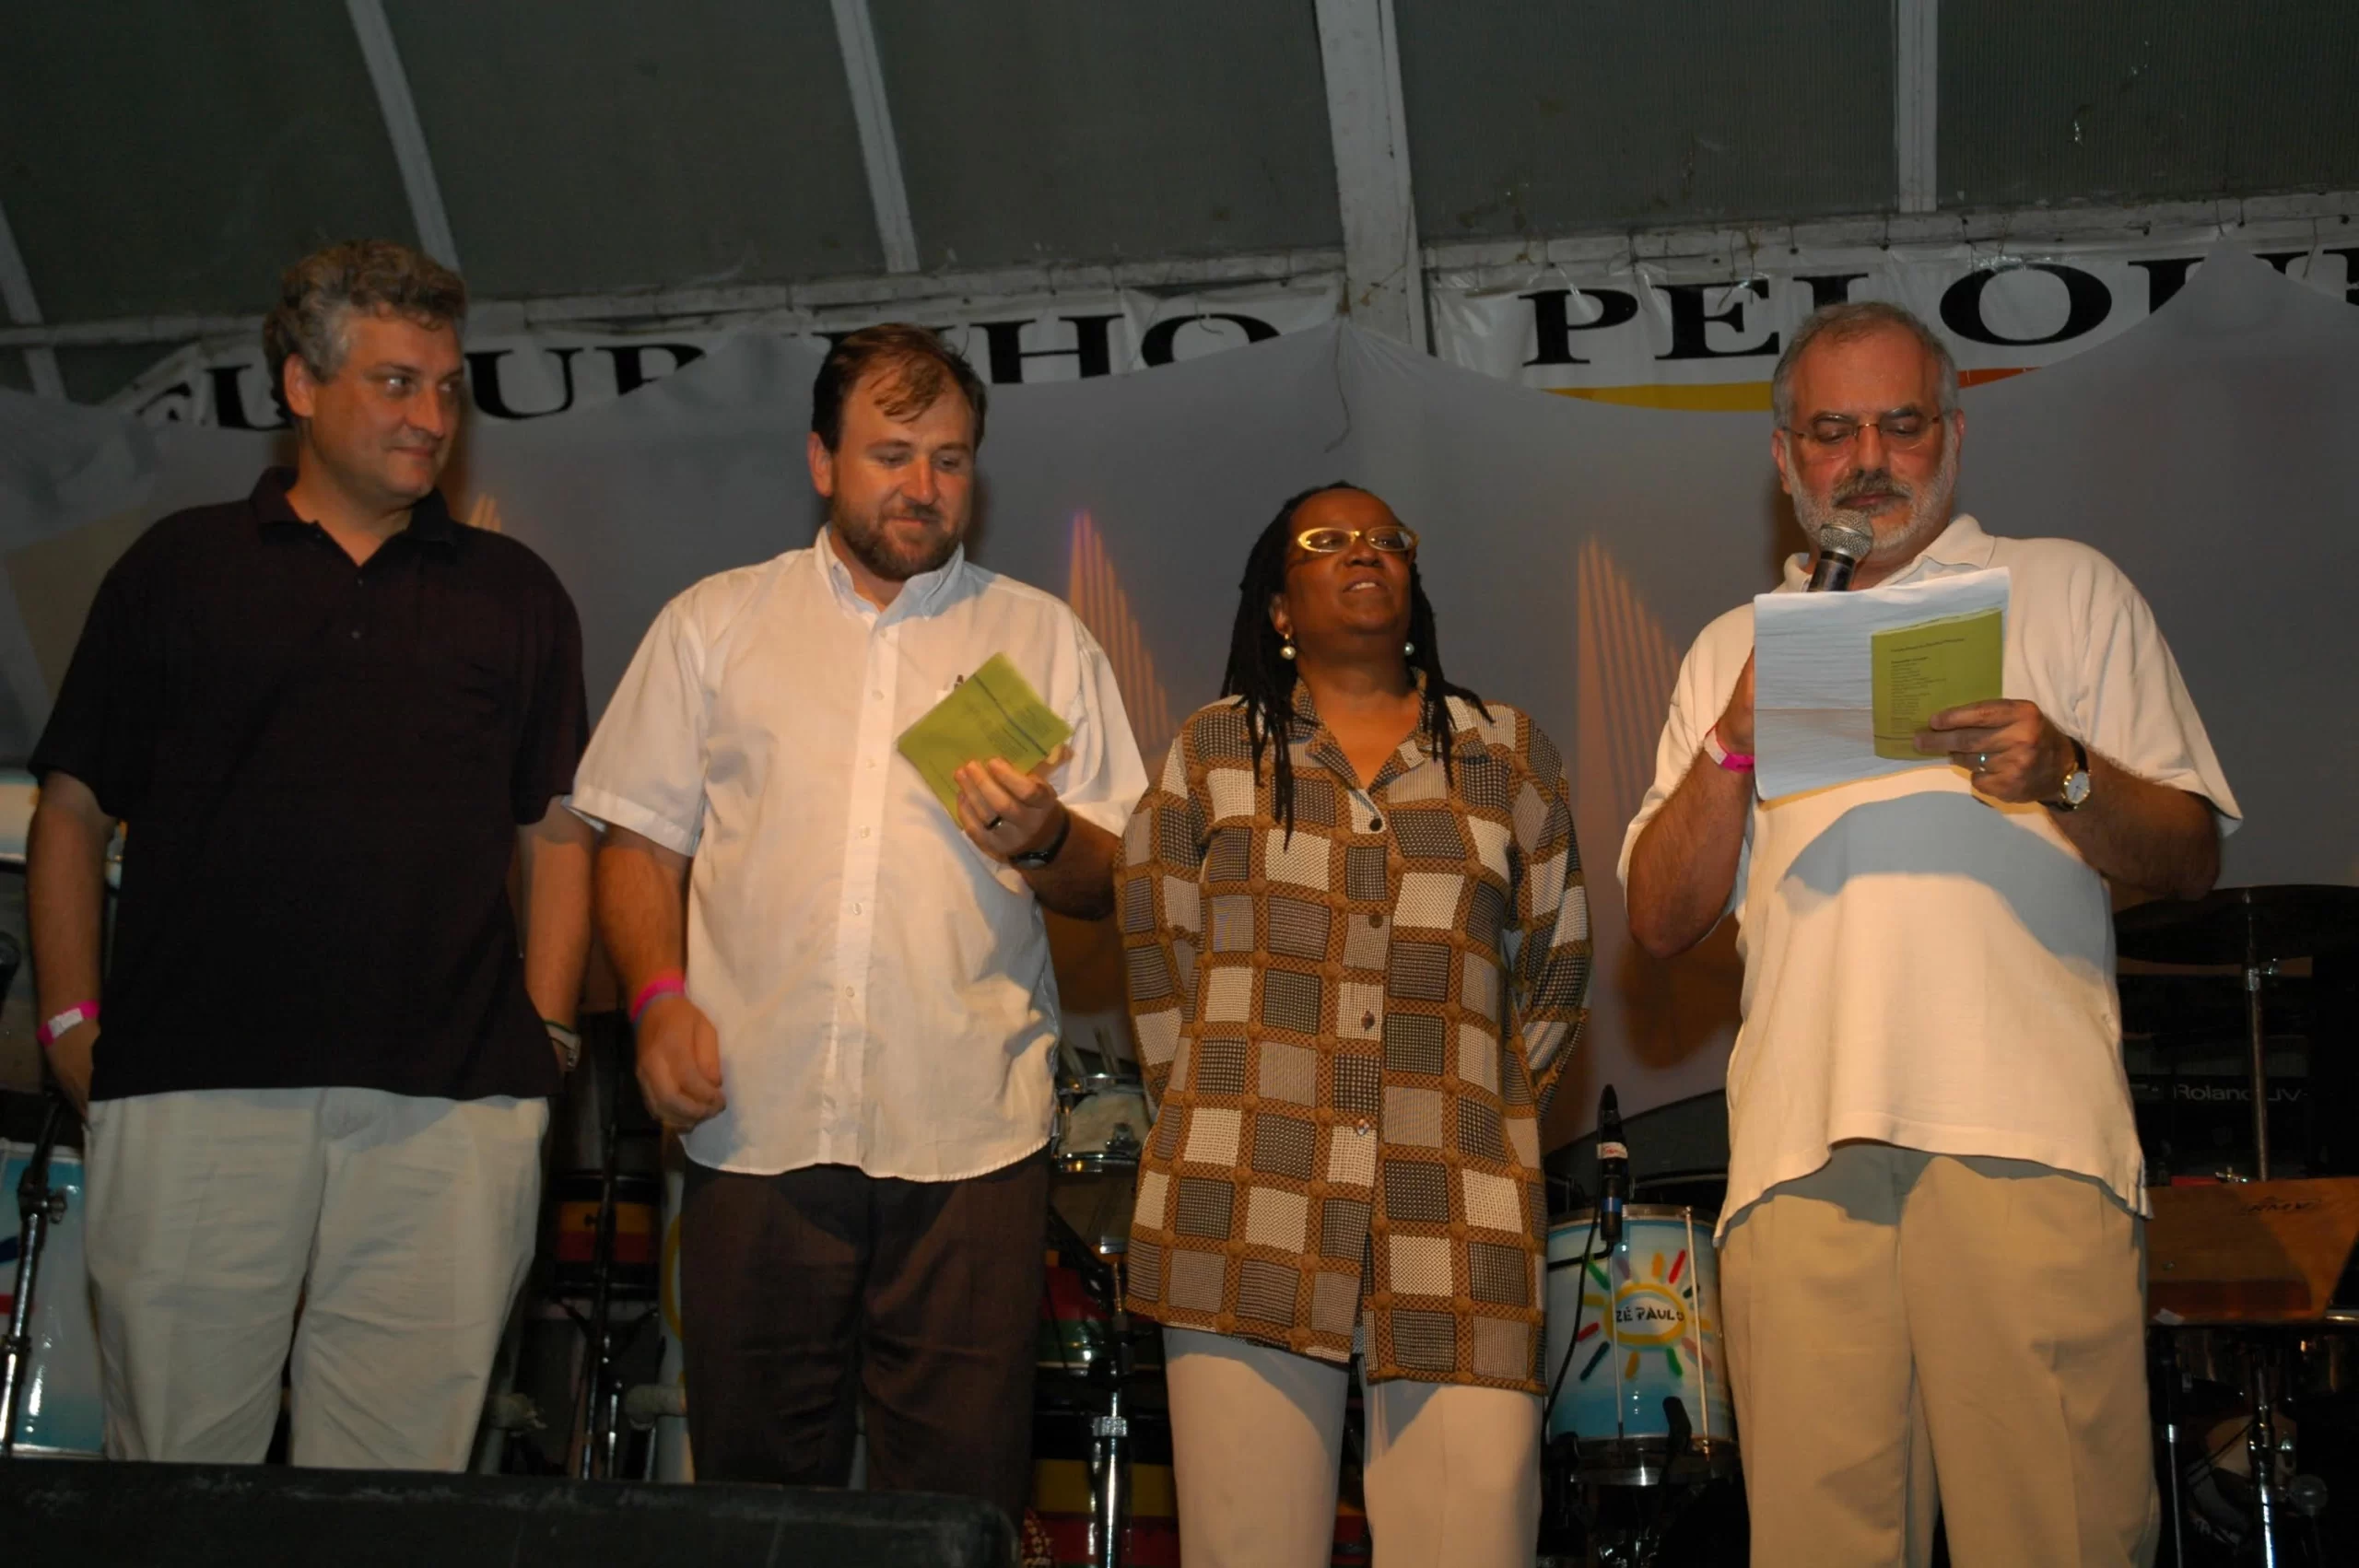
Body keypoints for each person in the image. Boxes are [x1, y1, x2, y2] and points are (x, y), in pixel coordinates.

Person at [1621, 301, 2236, 1566]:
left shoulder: (2062, 587)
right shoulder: (1730, 649)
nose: (1869, 459)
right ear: (1785, 459)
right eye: (1834, 430)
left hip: (2025, 1134)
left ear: (1952, 436)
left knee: (2056, 1535)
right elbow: (1661, 916)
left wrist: (2062, 771)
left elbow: (2187, 854)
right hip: (1798, 1160)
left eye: (1901, 423)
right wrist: (1737, 735)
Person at [26, 239, 594, 1469]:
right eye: (396, 382)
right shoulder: (177, 570)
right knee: (176, 1488)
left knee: (392, 1500)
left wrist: (546, 1034)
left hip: (451, 1109)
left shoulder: (516, 593)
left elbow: (554, 829)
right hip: (194, 1090)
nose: (431, 414)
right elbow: (67, 807)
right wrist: (69, 1022)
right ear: (299, 385)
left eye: (448, 385)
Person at [574, 324, 1147, 1525]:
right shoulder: (713, 624)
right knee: (752, 1497)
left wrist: (1047, 835)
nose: (924, 485)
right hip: (756, 1119)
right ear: (822, 460)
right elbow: (636, 839)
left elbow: (1121, 877)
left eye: (951, 458)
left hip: (970, 1134)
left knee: (952, 1503)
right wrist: (656, 999)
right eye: (893, 452)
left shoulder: (1041, 637)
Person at [1116, 483, 1592, 1568]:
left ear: (1414, 582)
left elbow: (1555, 975)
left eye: (1387, 540)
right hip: (1246, 1201)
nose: (1362, 554)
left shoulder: (1507, 755)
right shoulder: (1209, 757)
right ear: (1278, 606)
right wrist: (1224, 1116)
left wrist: (1477, 1119)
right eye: (1326, 543)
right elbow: (1160, 969)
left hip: (1458, 1216)